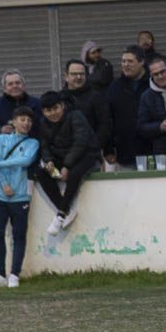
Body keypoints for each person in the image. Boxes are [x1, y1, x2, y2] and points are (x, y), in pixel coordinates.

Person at [0, 107, 39, 288]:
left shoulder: (33, 143)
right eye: (22, 119)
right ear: (13, 122)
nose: (26, 123)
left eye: (29, 120)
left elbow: (25, 161)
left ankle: (14, 274)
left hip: (21, 196)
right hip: (0, 195)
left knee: (19, 235)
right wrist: (4, 184)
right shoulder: (1, 139)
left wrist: (0, 164)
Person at [36, 90, 99, 234]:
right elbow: (44, 146)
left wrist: (67, 166)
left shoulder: (76, 116)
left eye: (56, 108)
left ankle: (60, 215)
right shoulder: (43, 124)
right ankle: (65, 209)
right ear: (43, 112)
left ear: (62, 106)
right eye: (48, 110)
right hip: (61, 157)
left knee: (74, 174)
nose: (53, 113)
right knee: (40, 171)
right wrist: (49, 161)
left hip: (87, 154)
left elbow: (81, 142)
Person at [105, 46, 150, 168]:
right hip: (124, 154)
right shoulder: (114, 87)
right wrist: (108, 149)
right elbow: (107, 119)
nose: (125, 65)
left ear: (141, 62)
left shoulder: (153, 83)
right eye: (123, 61)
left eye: (130, 61)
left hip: (153, 152)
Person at [61, 58, 112, 156]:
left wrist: (94, 146)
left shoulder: (96, 97)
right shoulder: (59, 99)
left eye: (82, 74)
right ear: (66, 76)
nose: (79, 77)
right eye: (74, 74)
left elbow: (105, 125)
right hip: (64, 154)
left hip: (90, 155)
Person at [0, 70, 42, 137]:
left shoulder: (37, 103)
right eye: (10, 84)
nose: (14, 86)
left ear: (23, 85)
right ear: (4, 88)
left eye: (18, 83)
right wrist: (0, 130)